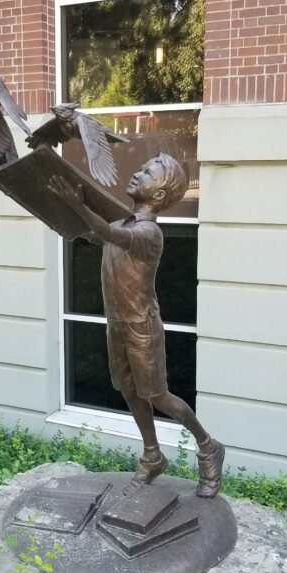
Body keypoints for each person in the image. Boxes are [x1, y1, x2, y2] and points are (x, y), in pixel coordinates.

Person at [49, 154, 225, 498]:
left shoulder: (148, 232)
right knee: (128, 389)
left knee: (157, 395)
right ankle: (152, 454)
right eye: (142, 167)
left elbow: (104, 231)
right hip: (116, 325)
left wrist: (79, 205)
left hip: (142, 327)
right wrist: (63, 208)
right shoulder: (125, 224)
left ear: (158, 197)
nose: (138, 171)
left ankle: (208, 446)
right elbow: (95, 232)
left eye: (148, 172)